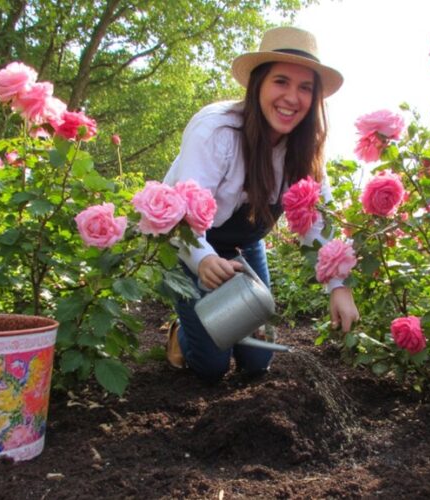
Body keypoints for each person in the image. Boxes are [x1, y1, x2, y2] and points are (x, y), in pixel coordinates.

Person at [163, 26, 359, 382]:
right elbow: (181, 212)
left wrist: (339, 286)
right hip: (191, 241)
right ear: (258, 85)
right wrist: (203, 259)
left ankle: (223, 334)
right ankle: (182, 331)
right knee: (212, 367)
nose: (292, 97)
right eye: (281, 81)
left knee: (257, 362)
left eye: (305, 88)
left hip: (244, 245)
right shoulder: (216, 131)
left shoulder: (305, 148)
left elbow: (319, 222)